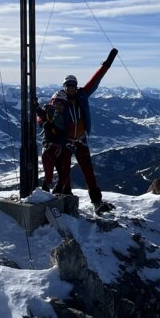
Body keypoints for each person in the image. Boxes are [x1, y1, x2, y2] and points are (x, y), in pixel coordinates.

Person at [57, 48, 118, 214]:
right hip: (67, 142)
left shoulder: (82, 95)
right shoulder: (59, 100)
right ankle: (66, 199)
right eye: (68, 85)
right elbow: (48, 114)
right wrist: (40, 120)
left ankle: (96, 201)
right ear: (64, 86)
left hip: (81, 140)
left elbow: (95, 80)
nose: (71, 88)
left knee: (88, 171)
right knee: (64, 171)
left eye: (73, 85)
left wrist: (107, 64)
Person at [34, 94, 69, 193]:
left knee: (62, 175)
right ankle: (45, 195)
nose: (59, 105)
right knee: (49, 176)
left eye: (61, 103)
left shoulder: (63, 117)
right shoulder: (50, 113)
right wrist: (36, 107)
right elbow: (41, 114)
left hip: (58, 150)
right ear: (52, 103)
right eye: (56, 103)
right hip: (50, 149)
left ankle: (54, 193)